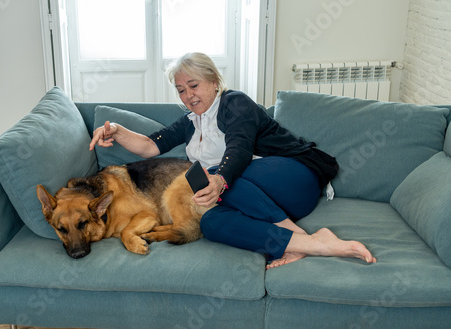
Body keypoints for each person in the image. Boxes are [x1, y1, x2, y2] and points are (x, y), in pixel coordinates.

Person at [89, 52, 376, 269]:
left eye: (194, 85)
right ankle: (307, 243)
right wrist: (117, 131)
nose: (188, 95)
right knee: (211, 223)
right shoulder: (191, 121)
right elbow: (152, 145)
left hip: (296, 177)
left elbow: (239, 148)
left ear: (214, 82)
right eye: (181, 90)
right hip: (262, 202)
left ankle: (297, 234)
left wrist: (219, 179)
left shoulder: (234, 103)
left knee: (219, 178)